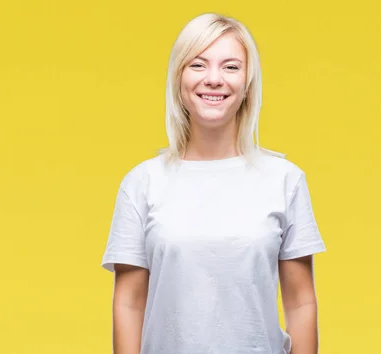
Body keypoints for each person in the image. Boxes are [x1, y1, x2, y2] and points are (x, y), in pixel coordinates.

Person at [100, 13, 327, 354]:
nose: (214, 79)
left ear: (248, 81)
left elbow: (300, 302)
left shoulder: (285, 180)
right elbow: (129, 303)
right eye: (198, 64)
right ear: (179, 77)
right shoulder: (142, 183)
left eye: (231, 67)